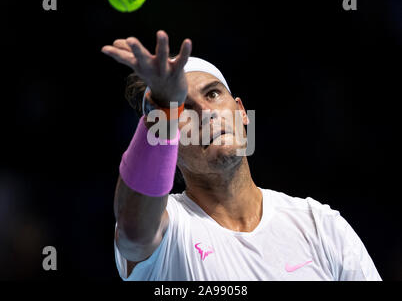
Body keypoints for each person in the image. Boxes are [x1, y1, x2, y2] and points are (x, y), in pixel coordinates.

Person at [101, 30, 382, 281]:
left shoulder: (321, 225)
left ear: (241, 112)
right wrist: (162, 107)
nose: (206, 112)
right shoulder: (169, 228)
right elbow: (134, 234)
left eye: (213, 94)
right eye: (183, 108)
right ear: (169, 140)